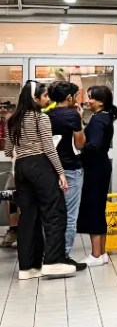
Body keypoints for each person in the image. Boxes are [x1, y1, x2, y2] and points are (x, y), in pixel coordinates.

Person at [5, 81, 75, 279]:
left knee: (28, 216)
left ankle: (28, 268)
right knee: (55, 212)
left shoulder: (12, 120)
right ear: (35, 98)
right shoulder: (40, 118)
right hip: (40, 166)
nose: (47, 100)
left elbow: (9, 151)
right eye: (44, 96)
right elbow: (49, 149)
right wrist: (61, 173)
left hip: (21, 168)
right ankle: (53, 262)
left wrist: (24, 146)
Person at [46, 81, 87, 268]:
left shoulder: (45, 115)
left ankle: (50, 253)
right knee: (70, 215)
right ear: (69, 97)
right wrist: (81, 118)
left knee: (52, 214)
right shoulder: (72, 115)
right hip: (70, 169)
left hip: (49, 169)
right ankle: (63, 256)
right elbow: (80, 144)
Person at [78, 85, 117, 268]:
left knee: (93, 208)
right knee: (99, 208)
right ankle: (101, 253)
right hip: (100, 167)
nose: (88, 101)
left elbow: (94, 145)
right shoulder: (102, 117)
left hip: (95, 168)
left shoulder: (100, 120)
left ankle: (95, 254)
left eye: (91, 98)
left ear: (101, 101)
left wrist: (80, 151)